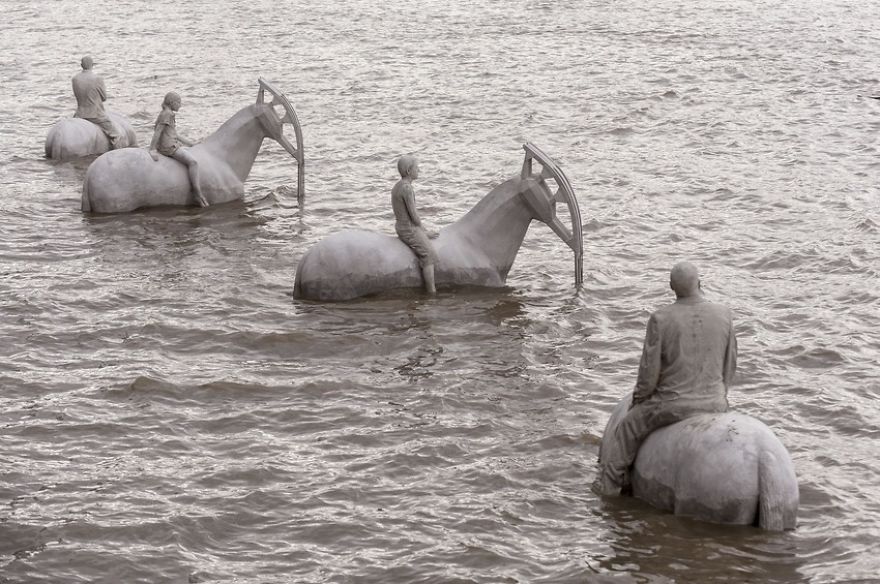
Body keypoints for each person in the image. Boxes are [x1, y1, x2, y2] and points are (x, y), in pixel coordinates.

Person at [592, 261, 737, 496]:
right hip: (715, 402)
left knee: (628, 426)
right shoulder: (724, 314)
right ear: (700, 283)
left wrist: (638, 400)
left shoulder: (660, 319)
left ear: (671, 287)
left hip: (671, 405)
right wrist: (719, 396)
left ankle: (608, 487)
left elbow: (648, 376)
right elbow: (730, 366)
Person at [149, 91, 208, 207]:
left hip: (170, 143)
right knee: (193, 162)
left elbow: (175, 134)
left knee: (188, 152)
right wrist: (152, 149)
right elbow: (158, 131)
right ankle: (197, 193)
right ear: (172, 103)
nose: (180, 105)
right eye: (178, 102)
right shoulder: (167, 114)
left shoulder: (166, 113)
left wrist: (191, 144)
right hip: (169, 147)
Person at [392, 155, 438, 294]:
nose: (419, 170)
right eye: (417, 168)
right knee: (429, 255)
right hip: (409, 229)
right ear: (408, 171)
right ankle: (431, 291)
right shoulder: (407, 188)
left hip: (401, 226)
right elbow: (414, 216)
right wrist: (424, 230)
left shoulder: (397, 186)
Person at [72, 56, 121, 148]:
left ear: (81, 65)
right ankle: (115, 151)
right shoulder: (98, 79)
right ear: (92, 65)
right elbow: (104, 98)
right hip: (95, 115)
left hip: (79, 115)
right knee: (116, 135)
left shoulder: (75, 79)